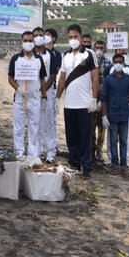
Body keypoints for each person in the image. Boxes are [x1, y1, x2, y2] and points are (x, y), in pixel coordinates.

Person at [56, 24, 99, 178]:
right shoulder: (65, 56)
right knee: (71, 136)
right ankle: (74, 164)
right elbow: (62, 79)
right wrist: (57, 98)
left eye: (75, 37)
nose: (73, 40)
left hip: (84, 104)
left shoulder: (89, 54)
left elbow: (95, 77)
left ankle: (86, 167)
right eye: (70, 37)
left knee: (84, 137)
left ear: (81, 37)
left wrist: (94, 98)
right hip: (69, 104)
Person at [8, 31, 47, 157]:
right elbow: (10, 78)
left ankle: (33, 153)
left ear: (34, 42)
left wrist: (44, 95)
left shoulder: (38, 59)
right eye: (25, 40)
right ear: (22, 41)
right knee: (18, 127)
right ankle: (19, 151)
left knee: (34, 127)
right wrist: (18, 89)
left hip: (35, 98)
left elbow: (42, 79)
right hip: (19, 99)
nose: (28, 43)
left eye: (30, 41)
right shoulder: (16, 58)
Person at [101, 53, 129, 173]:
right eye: (115, 62)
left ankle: (124, 164)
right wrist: (104, 115)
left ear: (123, 62)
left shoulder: (128, 79)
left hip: (125, 115)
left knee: (124, 140)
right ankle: (115, 164)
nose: (118, 64)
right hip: (112, 115)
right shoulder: (108, 79)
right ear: (113, 63)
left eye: (120, 62)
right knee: (113, 140)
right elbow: (104, 98)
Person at [32, 27, 60, 162]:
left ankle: (50, 152)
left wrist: (44, 89)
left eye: (40, 35)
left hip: (48, 93)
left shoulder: (51, 54)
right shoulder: (29, 53)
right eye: (35, 35)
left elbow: (53, 75)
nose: (38, 37)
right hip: (33, 94)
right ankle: (37, 151)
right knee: (35, 122)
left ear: (44, 37)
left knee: (49, 123)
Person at [44, 27, 63, 160]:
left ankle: (51, 150)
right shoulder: (38, 52)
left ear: (54, 38)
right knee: (38, 120)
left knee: (50, 120)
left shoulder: (56, 54)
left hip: (50, 89)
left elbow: (55, 73)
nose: (45, 37)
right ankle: (40, 148)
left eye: (48, 35)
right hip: (37, 89)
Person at [93, 40, 112, 163]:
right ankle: (91, 150)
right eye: (97, 47)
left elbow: (108, 83)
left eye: (101, 48)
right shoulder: (90, 61)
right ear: (94, 49)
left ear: (104, 49)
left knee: (102, 128)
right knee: (91, 127)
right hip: (92, 100)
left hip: (104, 101)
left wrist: (102, 100)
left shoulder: (109, 63)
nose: (99, 50)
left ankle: (99, 152)